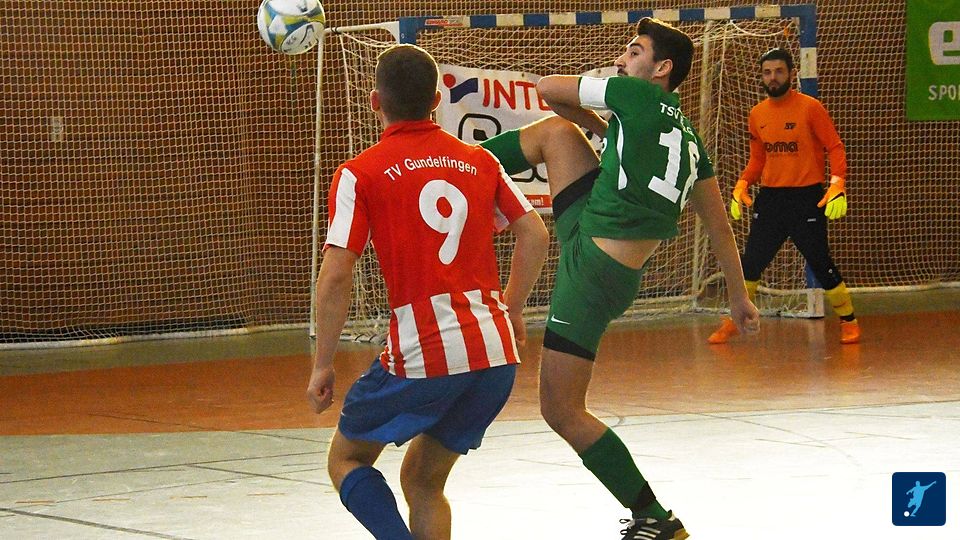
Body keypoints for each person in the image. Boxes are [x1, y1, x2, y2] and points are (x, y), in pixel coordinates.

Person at [480, 18, 759, 540]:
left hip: (591, 271)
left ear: (661, 68)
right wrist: (739, 296)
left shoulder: (634, 95)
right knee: (557, 133)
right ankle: (460, 169)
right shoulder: (690, 139)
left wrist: (605, 120)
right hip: (604, 253)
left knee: (561, 409)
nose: (620, 60)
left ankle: (655, 516)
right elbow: (719, 226)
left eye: (634, 52)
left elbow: (547, 87)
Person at [306, 44, 549, 539]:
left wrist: (322, 363)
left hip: (426, 350)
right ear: (437, 100)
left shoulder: (360, 173)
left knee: (346, 458)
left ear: (375, 102)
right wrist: (512, 307)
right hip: (495, 353)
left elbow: (335, 275)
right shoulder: (480, 161)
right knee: (423, 481)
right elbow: (536, 234)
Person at [708, 47, 861, 345]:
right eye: (767, 72)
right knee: (750, 263)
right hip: (771, 200)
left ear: (791, 73)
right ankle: (734, 320)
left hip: (807, 198)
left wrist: (837, 184)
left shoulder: (810, 108)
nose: (773, 77)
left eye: (779, 71)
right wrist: (742, 184)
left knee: (820, 261)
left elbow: (835, 147)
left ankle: (849, 320)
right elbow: (758, 159)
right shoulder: (757, 114)